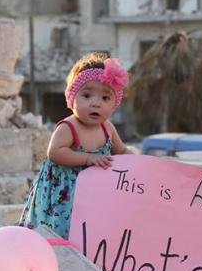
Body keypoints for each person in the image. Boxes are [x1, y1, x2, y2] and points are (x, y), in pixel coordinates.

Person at [19, 52, 132, 238]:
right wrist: (88, 158)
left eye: (105, 98)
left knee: (89, 232)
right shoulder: (69, 127)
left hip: (93, 192)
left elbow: (121, 150)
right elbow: (55, 152)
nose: (95, 103)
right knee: (61, 231)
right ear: (72, 99)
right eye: (87, 95)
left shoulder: (107, 129)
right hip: (62, 194)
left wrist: (137, 161)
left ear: (114, 105)